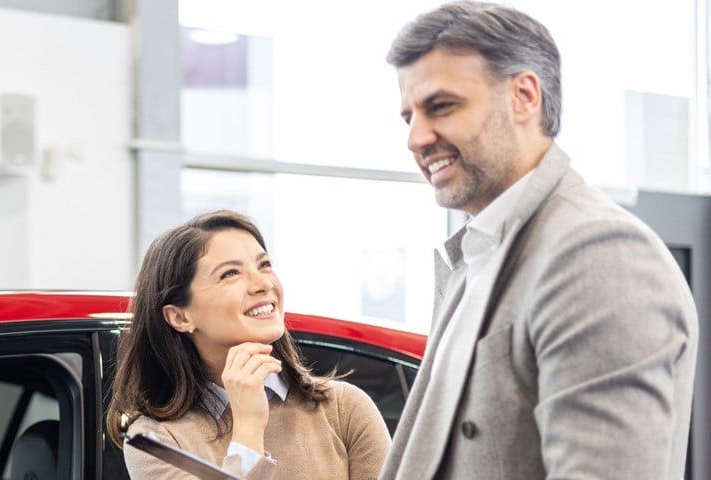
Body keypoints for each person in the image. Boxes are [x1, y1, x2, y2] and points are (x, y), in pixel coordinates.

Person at [381, 2, 699, 479]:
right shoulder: (478, 255)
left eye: (440, 106)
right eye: (408, 117)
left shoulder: (598, 254)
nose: (417, 138)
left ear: (524, 96)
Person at [107, 210, 390, 479]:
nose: (262, 284)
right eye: (230, 273)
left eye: (264, 264)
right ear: (180, 316)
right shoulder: (156, 442)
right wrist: (248, 429)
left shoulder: (344, 407)